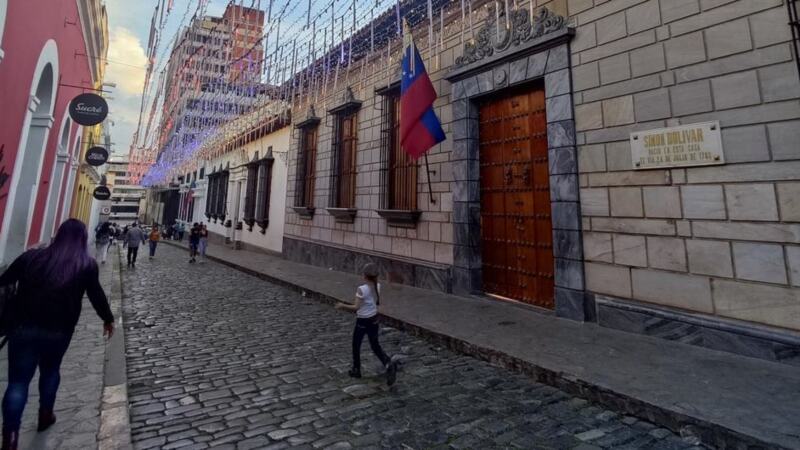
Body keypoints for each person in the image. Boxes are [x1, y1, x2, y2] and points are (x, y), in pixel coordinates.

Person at [0, 219, 114, 450]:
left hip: (23, 328)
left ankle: (10, 438)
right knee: (51, 371)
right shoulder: (85, 264)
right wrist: (107, 319)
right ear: (82, 238)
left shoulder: (31, 257)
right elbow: (96, 295)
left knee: (18, 383)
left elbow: (4, 282)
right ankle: (45, 414)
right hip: (59, 330)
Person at [335, 263, 398, 386]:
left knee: (356, 345)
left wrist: (342, 305)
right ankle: (388, 363)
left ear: (364, 275)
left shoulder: (361, 289)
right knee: (375, 345)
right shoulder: (377, 286)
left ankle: (356, 369)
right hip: (374, 319)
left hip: (363, 320)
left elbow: (356, 307)